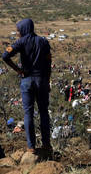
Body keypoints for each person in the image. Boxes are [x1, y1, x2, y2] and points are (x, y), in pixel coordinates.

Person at [2, 18, 52, 153]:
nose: (17, 33)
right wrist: (47, 81)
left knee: (28, 113)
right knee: (43, 113)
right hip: (41, 79)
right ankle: (46, 144)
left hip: (27, 80)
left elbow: (5, 55)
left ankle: (31, 147)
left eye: (18, 30)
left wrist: (17, 69)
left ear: (24, 29)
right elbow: (48, 63)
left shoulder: (21, 42)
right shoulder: (43, 41)